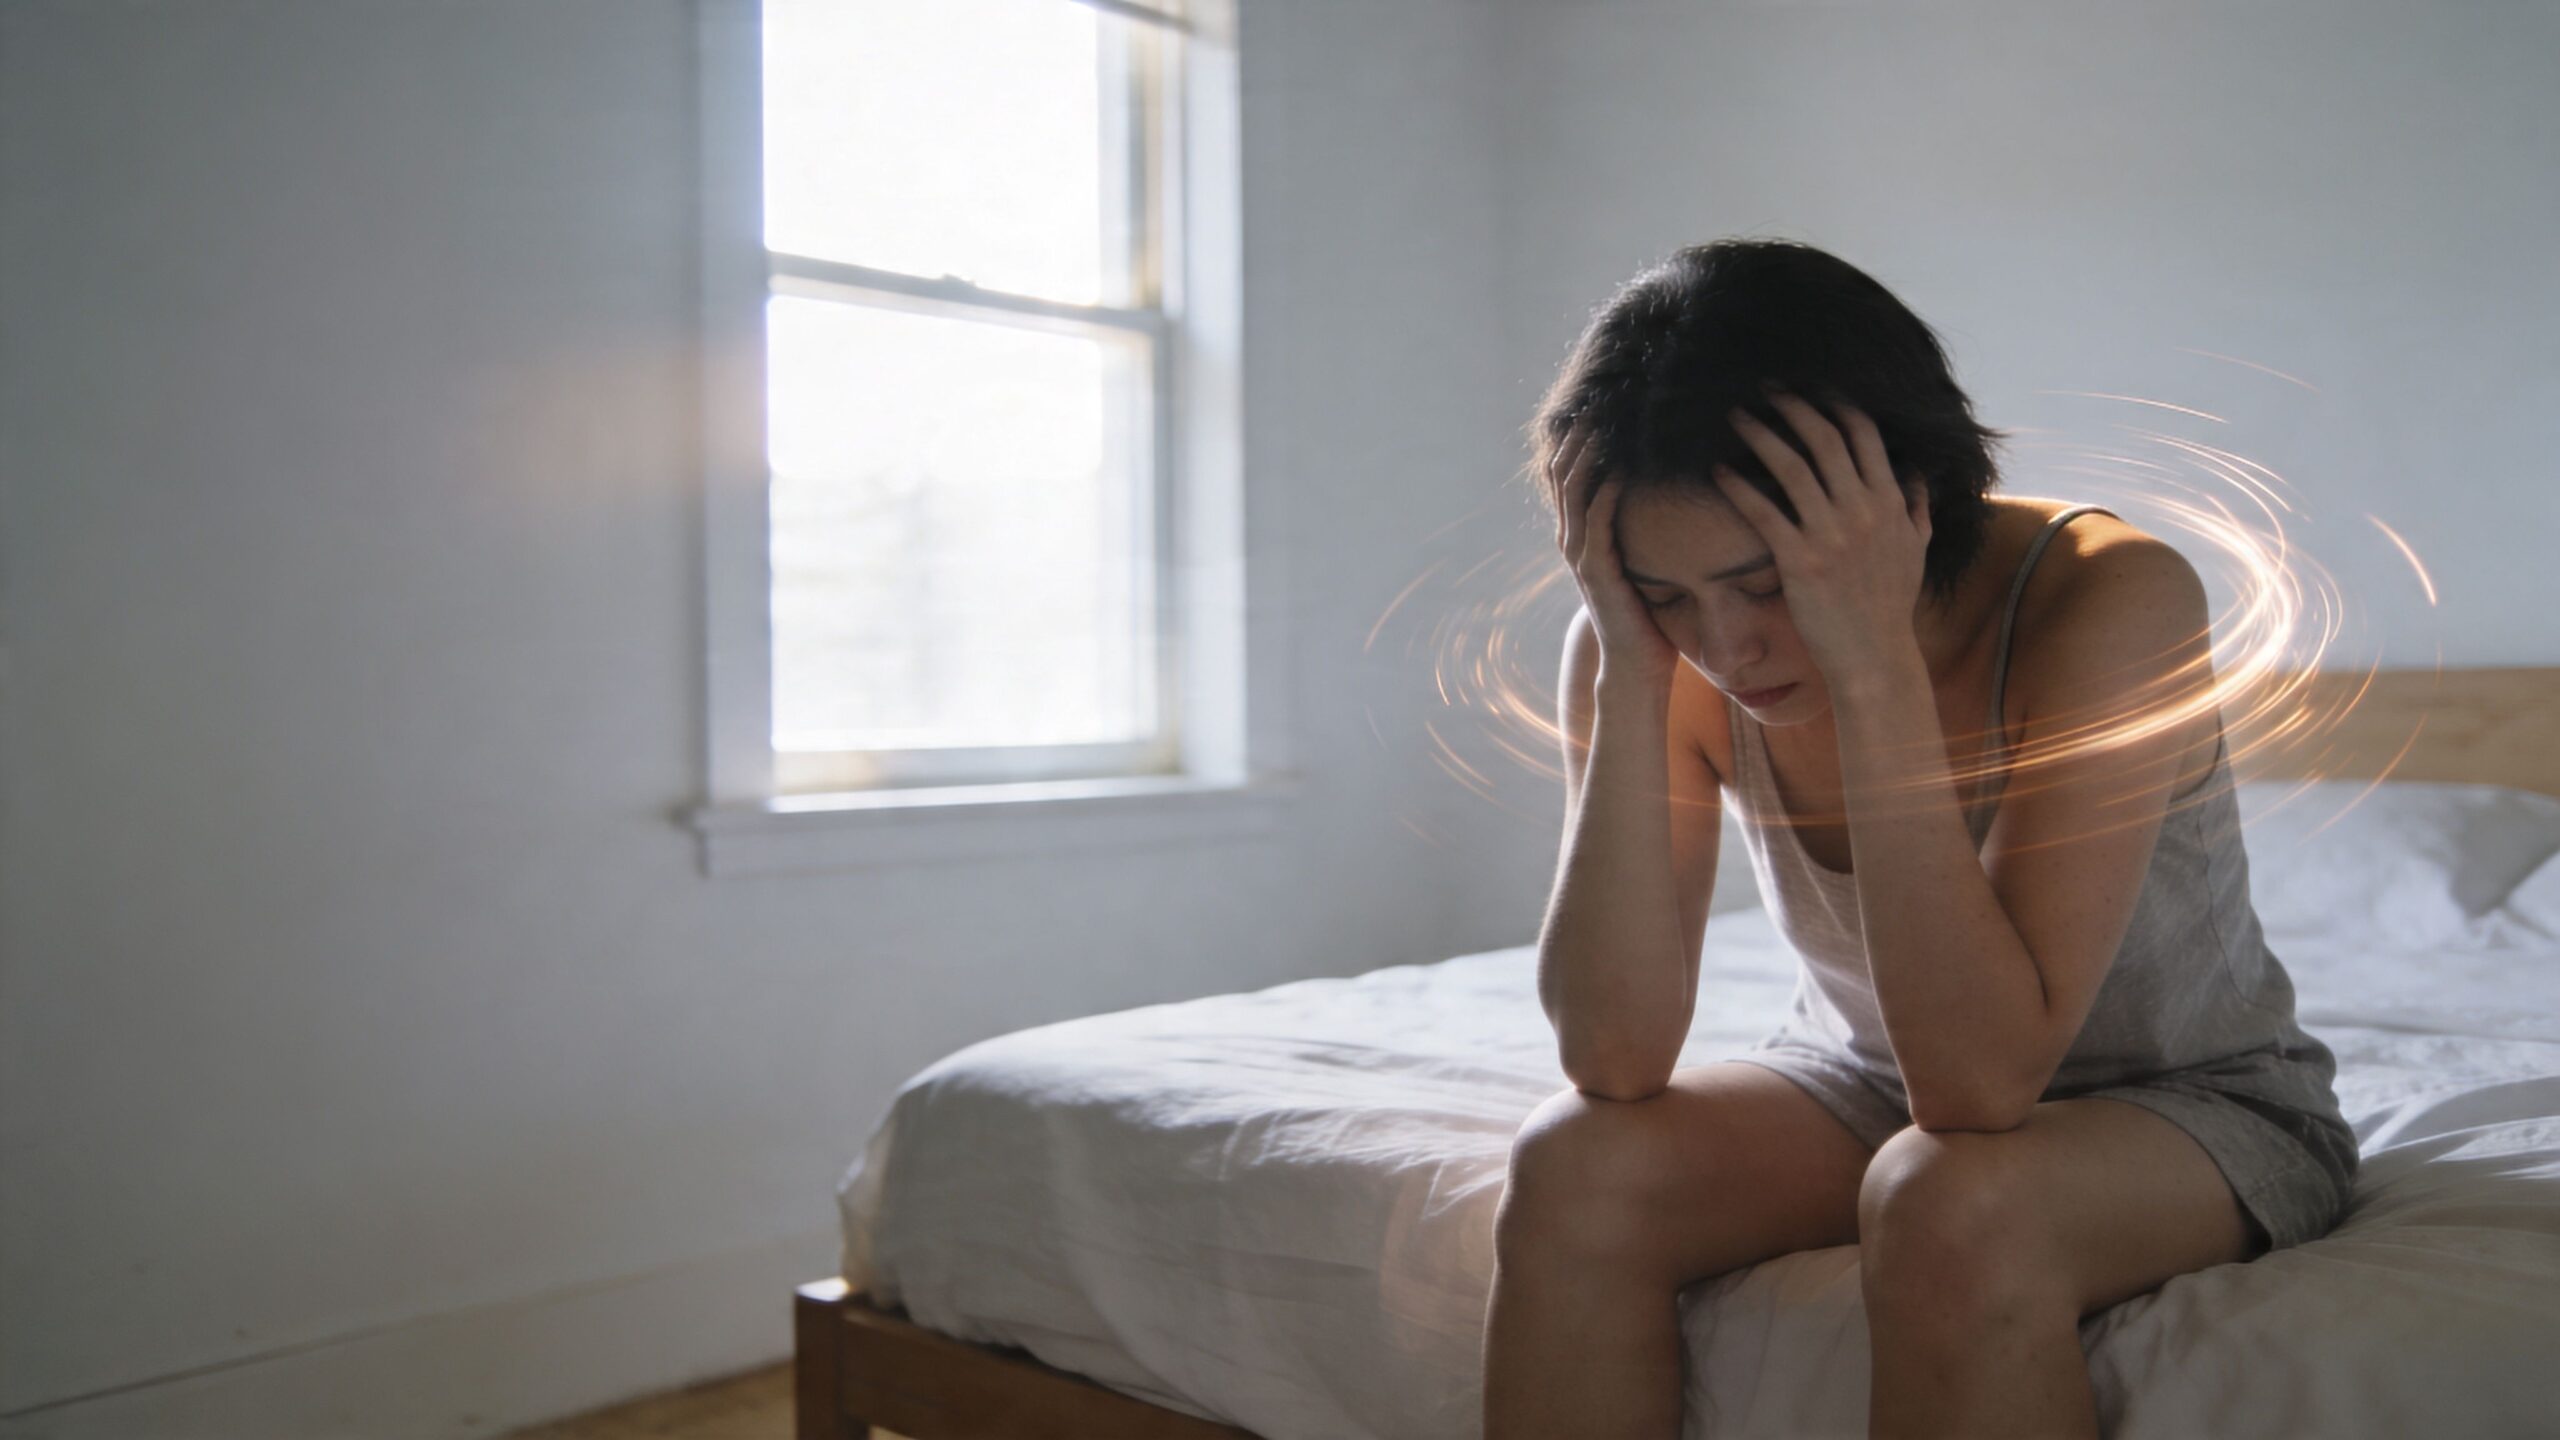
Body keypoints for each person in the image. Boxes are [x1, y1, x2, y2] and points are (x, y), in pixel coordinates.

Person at [1479, 238, 2356, 1440]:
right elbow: (1615, 1055)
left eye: (1764, 582)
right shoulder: (1653, 651)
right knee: (1573, 1163)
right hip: (1868, 1082)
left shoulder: (2111, 597)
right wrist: (1626, 666)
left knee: (1947, 1195)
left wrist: (1870, 658)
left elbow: (1978, 1088)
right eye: (1666, 594)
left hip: (2197, 1107)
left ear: (1907, 502)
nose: (1726, 653)